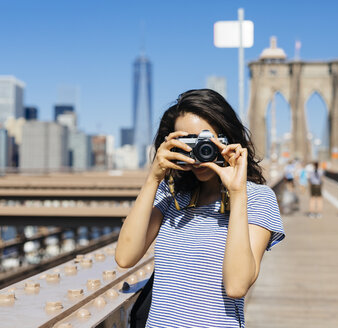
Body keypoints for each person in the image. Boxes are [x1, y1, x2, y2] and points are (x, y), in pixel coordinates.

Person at [115, 89, 285, 328]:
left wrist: (237, 193)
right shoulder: (171, 195)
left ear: (227, 139)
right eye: (189, 142)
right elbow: (125, 257)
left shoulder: (257, 198)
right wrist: (153, 178)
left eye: (206, 141)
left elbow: (236, 286)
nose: (199, 152)